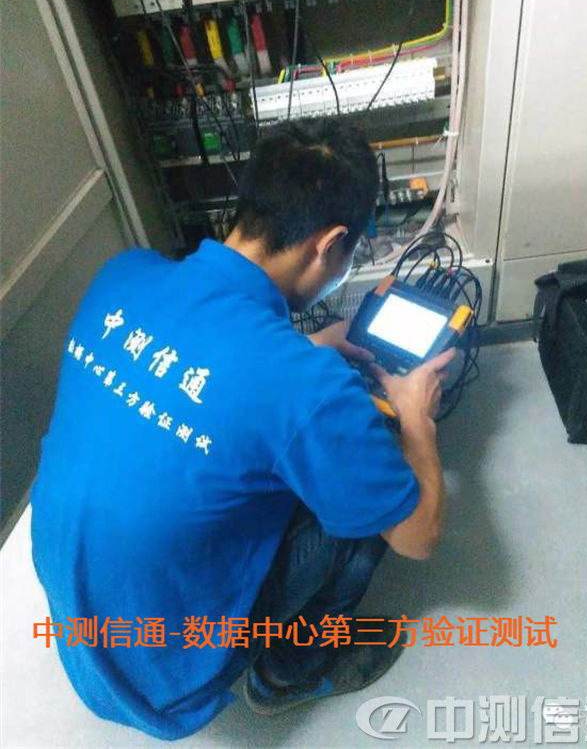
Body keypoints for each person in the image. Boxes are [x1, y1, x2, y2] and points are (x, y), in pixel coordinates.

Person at [30, 118, 454, 740]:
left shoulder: (123, 274)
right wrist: (417, 422)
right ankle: (286, 674)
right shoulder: (308, 386)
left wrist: (304, 350)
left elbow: (216, 373)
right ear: (331, 244)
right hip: (170, 671)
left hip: (79, 623)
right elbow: (419, 537)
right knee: (372, 494)